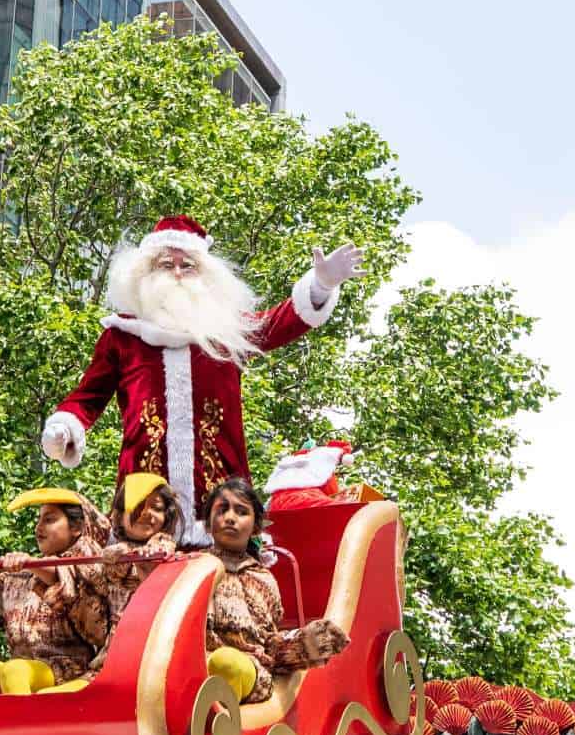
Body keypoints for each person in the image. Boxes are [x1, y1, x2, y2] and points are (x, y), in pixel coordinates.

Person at [40, 215, 363, 539]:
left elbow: (282, 322)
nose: (178, 273)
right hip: (143, 509)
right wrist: (65, 427)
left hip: (222, 513)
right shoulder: (123, 336)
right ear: (147, 273)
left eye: (188, 265)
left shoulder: (227, 332)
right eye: (167, 264)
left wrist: (320, 286)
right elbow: (87, 398)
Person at [199, 477, 344, 704]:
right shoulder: (192, 568)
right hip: (197, 667)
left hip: (250, 671)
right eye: (221, 510)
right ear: (208, 523)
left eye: (241, 511)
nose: (230, 518)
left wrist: (304, 646)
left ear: (256, 526)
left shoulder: (264, 579)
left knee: (227, 663)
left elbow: (269, 642)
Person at [0, 488, 107, 695]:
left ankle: (27, 724)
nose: (39, 527)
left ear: (77, 527)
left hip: (73, 675)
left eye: (49, 520)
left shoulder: (88, 563)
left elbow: (63, 576)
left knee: (16, 670)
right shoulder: (19, 578)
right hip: (22, 677)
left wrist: (27, 563)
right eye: (39, 520)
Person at [74, 472, 183, 673]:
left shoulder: (166, 551)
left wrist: (147, 561)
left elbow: (163, 549)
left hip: (159, 658)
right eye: (138, 505)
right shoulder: (109, 559)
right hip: (114, 660)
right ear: (119, 516)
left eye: (156, 508)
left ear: (166, 517)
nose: (146, 513)